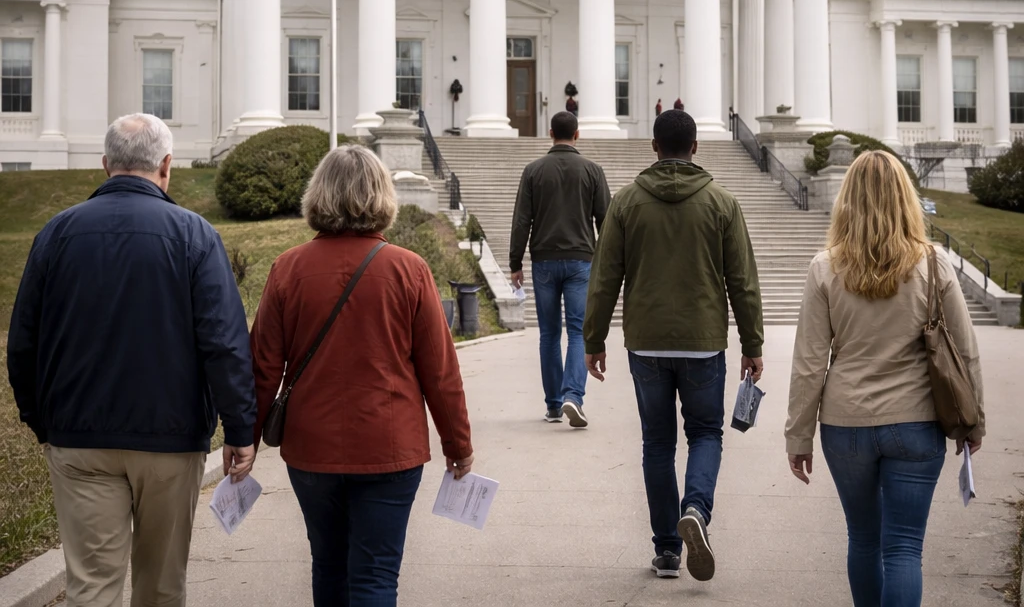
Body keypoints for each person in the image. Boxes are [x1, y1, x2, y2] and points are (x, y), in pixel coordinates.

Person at [7, 114, 255, 607]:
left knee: (91, 588)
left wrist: (43, 421)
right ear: (167, 165)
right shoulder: (195, 235)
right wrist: (240, 429)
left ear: (105, 165)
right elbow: (223, 343)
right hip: (169, 440)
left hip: (78, 438)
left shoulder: (56, 234)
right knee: (161, 588)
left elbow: (22, 344)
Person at [250, 144, 473, 607]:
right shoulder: (408, 269)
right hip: (390, 447)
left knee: (328, 566)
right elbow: (441, 371)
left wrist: (244, 441)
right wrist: (458, 446)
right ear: (382, 196)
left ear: (319, 194)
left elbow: (263, 365)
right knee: (375, 576)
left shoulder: (287, 269)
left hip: (311, 449)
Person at [785, 150, 984, 607]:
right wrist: (976, 421)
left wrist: (799, 436)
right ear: (905, 198)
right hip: (917, 423)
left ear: (847, 200)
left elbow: (809, 363)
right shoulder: (933, 264)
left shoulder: (825, 267)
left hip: (845, 424)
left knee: (864, 539)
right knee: (904, 548)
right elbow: (965, 350)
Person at [584, 109, 763, 583]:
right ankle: (696, 511)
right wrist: (753, 343)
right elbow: (742, 281)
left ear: (655, 148)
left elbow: (604, 279)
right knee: (706, 434)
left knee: (657, 443)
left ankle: (666, 551)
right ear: (696, 148)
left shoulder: (625, 204)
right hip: (704, 343)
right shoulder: (722, 203)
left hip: (646, 344)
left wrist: (593, 340)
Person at [509, 110, 611, 428]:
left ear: (550, 133)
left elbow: (522, 219)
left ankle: (554, 405)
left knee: (549, 334)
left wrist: (515, 262)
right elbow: (605, 222)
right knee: (579, 331)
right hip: (582, 260)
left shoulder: (533, 171)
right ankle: (573, 397)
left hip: (543, 261)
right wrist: (608, 264)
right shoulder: (592, 171)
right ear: (577, 134)